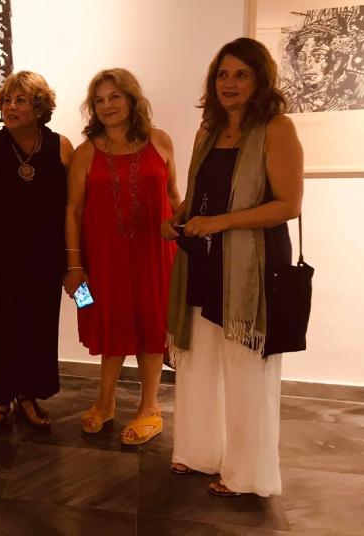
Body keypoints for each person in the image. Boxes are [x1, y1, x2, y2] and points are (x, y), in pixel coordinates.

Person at [166, 37, 303, 497]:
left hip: (251, 268)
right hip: (203, 262)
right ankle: (199, 452)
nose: (229, 83)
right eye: (222, 74)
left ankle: (247, 475)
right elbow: (197, 195)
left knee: (246, 372)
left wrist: (220, 222)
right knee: (199, 362)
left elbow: (288, 205)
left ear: (260, 80)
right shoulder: (208, 130)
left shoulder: (277, 128)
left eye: (241, 74)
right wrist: (178, 218)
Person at [63, 69, 179, 445]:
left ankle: (150, 408)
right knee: (108, 323)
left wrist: (186, 231)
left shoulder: (160, 141)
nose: (107, 105)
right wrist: (74, 266)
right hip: (103, 259)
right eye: (99, 100)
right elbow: (72, 212)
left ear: (131, 99)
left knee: (152, 327)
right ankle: (105, 400)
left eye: (115, 96)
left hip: (155, 254)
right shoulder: (85, 153)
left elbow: (174, 196)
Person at [0, 71, 73, 438]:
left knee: (39, 330)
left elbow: (74, 209)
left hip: (45, 261)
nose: (10, 106)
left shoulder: (61, 147)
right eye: (7, 100)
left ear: (39, 107)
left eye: (20, 100)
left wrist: (75, 262)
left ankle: (28, 396)